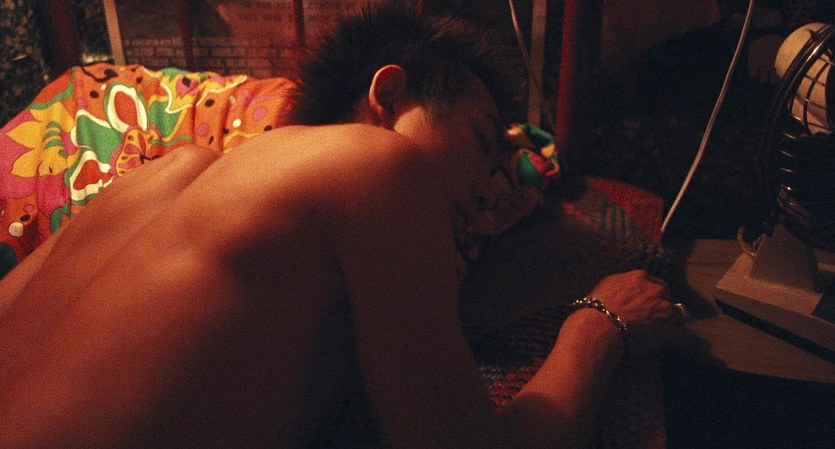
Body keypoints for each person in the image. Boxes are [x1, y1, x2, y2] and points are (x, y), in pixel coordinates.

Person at [0, 7, 693, 449]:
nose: (489, 197)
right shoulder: (381, 166)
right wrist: (598, 326)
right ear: (388, 95)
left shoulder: (165, 172)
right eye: (483, 143)